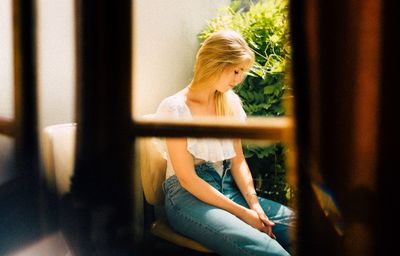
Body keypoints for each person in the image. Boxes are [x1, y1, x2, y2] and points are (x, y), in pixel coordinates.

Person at [153, 30, 296, 256]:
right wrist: (242, 213)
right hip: (187, 197)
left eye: (243, 73)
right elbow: (187, 179)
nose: (239, 80)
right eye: (236, 71)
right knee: (268, 250)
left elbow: (238, 161)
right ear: (215, 63)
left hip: (230, 188)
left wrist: (255, 205)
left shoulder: (230, 103)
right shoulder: (175, 108)